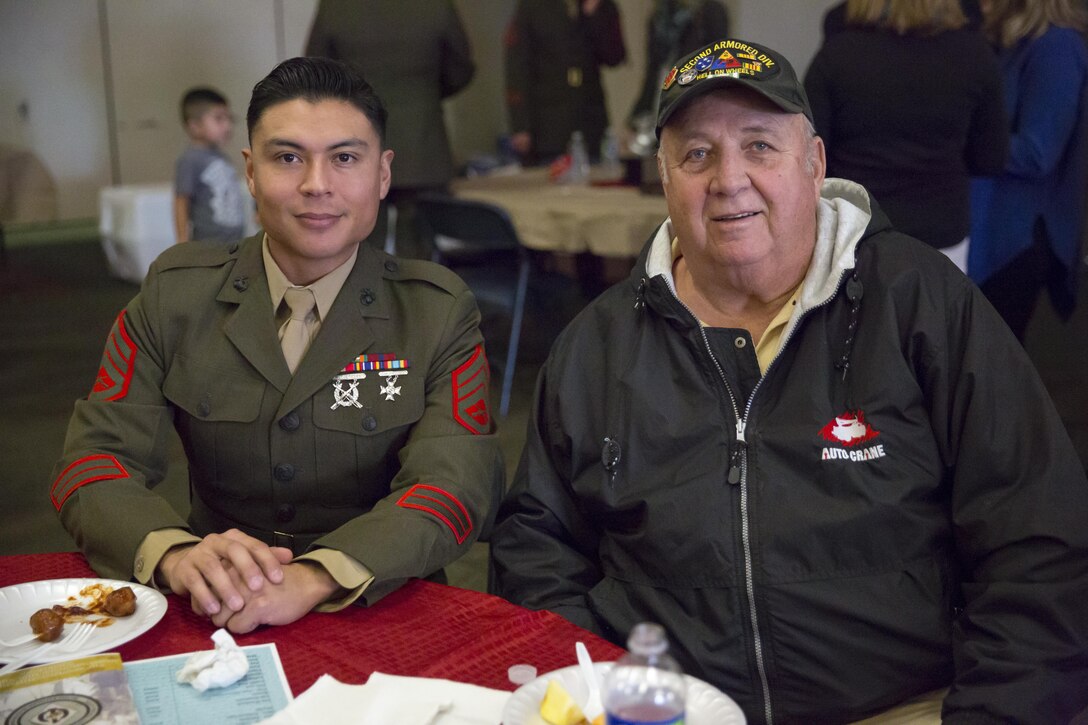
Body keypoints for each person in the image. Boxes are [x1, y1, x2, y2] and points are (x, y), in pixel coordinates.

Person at [490, 37, 1088, 723]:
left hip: (906, 707)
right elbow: (536, 550)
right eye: (697, 154)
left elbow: (1039, 545)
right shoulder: (596, 346)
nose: (729, 179)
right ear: (664, 178)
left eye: (760, 146)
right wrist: (596, 694)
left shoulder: (921, 305)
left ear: (815, 163)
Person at [50, 57, 502, 634]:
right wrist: (175, 555)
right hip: (211, 601)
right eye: (288, 158)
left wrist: (315, 576)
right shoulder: (176, 295)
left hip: (382, 601)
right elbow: (91, 461)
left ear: (383, 174)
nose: (317, 184)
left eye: (345, 158)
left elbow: (455, 485)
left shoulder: (436, 312)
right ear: (250, 171)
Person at [804, 0, 1007, 270]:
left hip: (854, 228)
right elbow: (990, 159)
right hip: (940, 231)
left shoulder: (836, 56)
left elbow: (810, 154)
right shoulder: (975, 55)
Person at [305, 0, 475, 260]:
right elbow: (460, 68)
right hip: (422, 143)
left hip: (357, 140)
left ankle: (362, 286)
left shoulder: (335, 6)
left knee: (356, 248)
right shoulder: (436, 5)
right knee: (419, 253)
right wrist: (427, 95)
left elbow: (315, 76)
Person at [968, 0, 1088, 342]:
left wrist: (960, 137)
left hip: (1017, 239)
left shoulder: (1057, 48)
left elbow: (1038, 153)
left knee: (991, 358)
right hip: (994, 229)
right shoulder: (1010, 42)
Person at [504, 0, 626, 165]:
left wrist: (595, 14)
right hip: (547, 126)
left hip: (590, 123)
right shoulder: (532, 6)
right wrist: (520, 125)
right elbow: (517, 68)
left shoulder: (601, 6)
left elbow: (614, 58)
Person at [628, 0, 730, 131]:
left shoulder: (710, 11)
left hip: (695, 97)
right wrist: (636, 114)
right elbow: (652, 71)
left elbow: (717, 59)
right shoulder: (661, 14)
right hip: (663, 94)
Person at [173, 87, 249, 244]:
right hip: (208, 245)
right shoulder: (190, 160)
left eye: (229, 118)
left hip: (234, 243)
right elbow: (181, 201)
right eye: (219, 119)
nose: (227, 126)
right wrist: (182, 241)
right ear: (195, 125)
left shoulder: (222, 158)